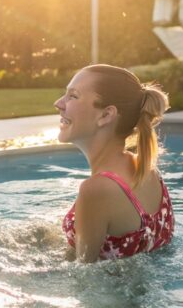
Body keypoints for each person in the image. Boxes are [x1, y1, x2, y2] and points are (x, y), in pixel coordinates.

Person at [54, 64, 175, 262]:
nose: (59, 103)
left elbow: (83, 275)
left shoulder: (96, 190)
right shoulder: (147, 170)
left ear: (106, 115)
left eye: (73, 96)